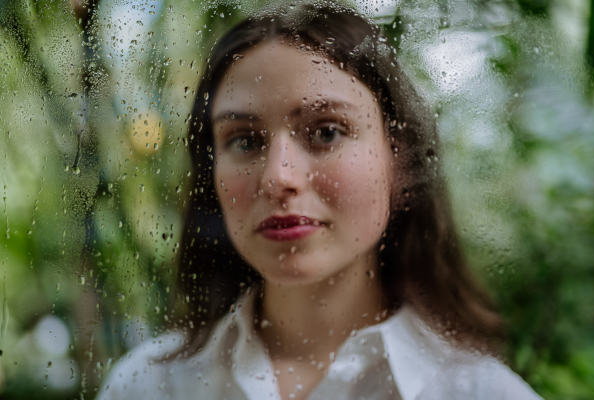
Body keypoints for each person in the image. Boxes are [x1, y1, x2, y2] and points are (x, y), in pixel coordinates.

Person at [98, 3, 543, 400]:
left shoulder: (479, 392)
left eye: (327, 132)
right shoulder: (147, 386)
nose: (277, 178)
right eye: (245, 140)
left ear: (399, 158)